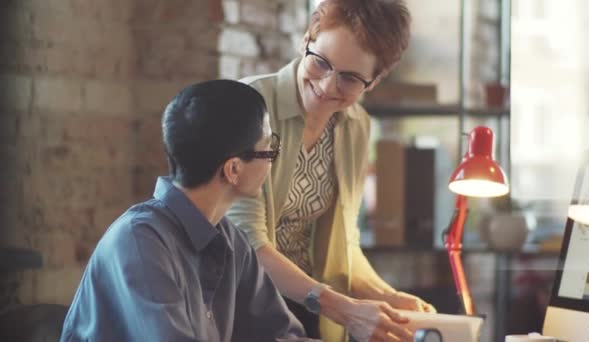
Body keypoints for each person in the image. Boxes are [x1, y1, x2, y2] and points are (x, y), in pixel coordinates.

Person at [227, 1, 436, 341]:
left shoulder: (356, 126)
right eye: (321, 62)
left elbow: (344, 242)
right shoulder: (250, 104)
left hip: (310, 309)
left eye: (350, 78)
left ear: (375, 80)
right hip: (239, 312)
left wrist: (390, 298)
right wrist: (347, 309)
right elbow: (247, 243)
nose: (327, 86)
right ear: (306, 40)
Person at [60, 80, 312, 342]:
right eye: (270, 149)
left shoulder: (232, 241)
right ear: (233, 169)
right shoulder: (139, 243)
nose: (274, 159)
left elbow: (282, 336)